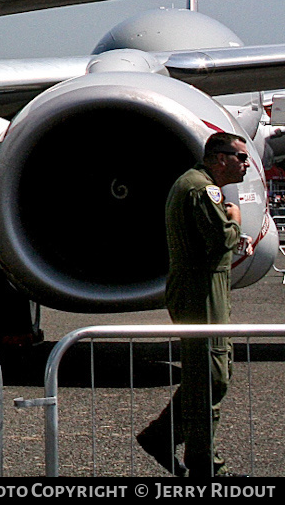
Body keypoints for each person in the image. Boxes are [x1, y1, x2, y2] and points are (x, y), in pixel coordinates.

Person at [137, 132, 253, 478]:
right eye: (241, 157)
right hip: (200, 292)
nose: (246, 164)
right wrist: (235, 218)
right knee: (210, 376)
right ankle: (206, 468)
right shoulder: (202, 189)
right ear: (220, 158)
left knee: (213, 372)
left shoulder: (199, 185)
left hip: (204, 289)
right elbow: (219, 238)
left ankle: (161, 436)